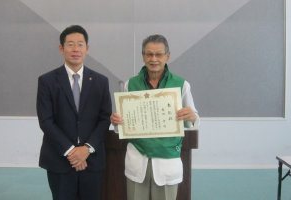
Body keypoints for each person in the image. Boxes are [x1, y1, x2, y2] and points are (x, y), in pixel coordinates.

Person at [110, 34, 200, 200]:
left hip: (167, 159)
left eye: (159, 54)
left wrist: (192, 116)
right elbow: (121, 125)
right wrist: (116, 122)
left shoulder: (181, 85)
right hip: (137, 159)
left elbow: (193, 121)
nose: (154, 59)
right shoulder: (131, 84)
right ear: (143, 56)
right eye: (149, 54)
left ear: (168, 56)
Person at [37, 25, 112, 200]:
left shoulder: (101, 81)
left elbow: (104, 119)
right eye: (70, 44)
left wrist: (87, 149)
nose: (76, 49)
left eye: (80, 44)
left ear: (87, 49)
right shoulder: (47, 81)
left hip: (91, 160)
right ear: (61, 48)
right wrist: (72, 152)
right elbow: (46, 121)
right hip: (59, 160)